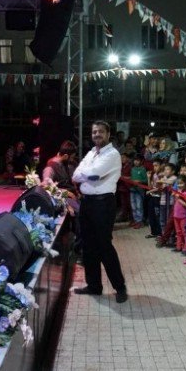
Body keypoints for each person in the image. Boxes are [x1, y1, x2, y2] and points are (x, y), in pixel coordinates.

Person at [72, 121, 128, 302]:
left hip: (103, 204)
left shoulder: (112, 154)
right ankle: (94, 286)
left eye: (100, 132)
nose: (96, 134)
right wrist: (86, 174)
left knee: (104, 246)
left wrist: (86, 174)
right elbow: (76, 175)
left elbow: (94, 173)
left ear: (108, 133)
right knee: (88, 247)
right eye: (94, 131)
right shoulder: (90, 153)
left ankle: (120, 287)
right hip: (87, 203)